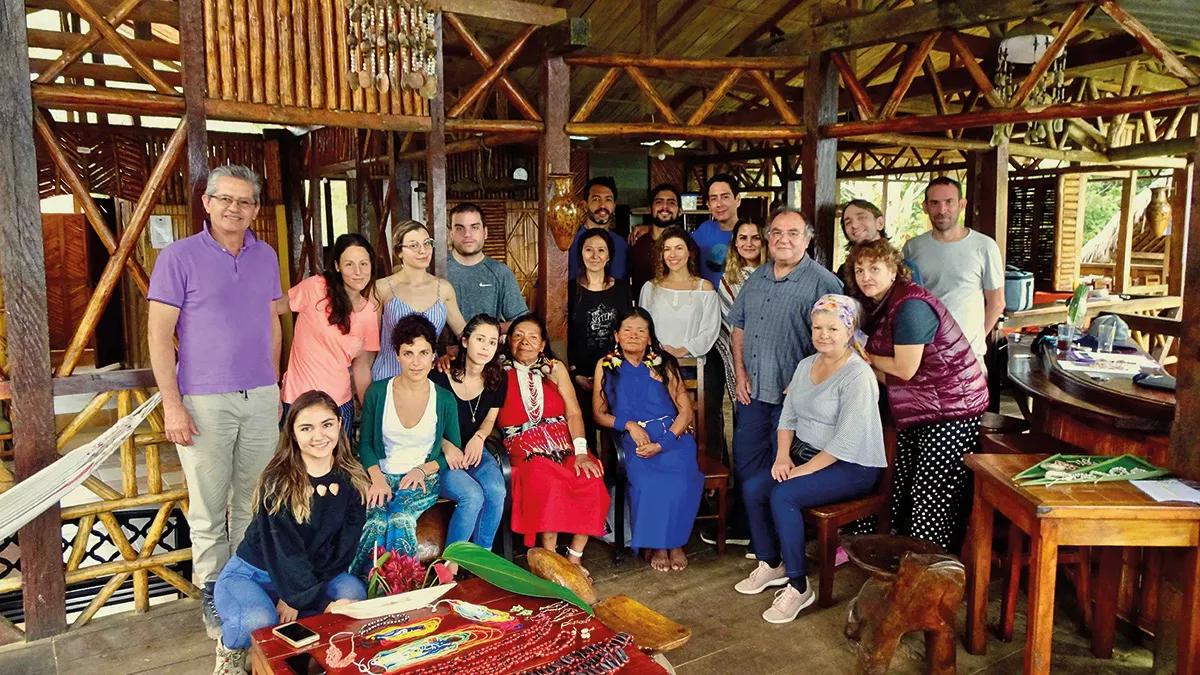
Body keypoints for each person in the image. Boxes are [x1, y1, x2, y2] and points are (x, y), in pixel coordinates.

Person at [147, 164, 282, 639]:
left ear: (255, 209)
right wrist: (172, 405)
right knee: (207, 507)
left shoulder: (265, 255)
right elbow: (160, 337)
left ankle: (243, 582)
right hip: (203, 400)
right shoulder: (178, 257)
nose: (234, 208)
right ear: (206, 203)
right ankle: (211, 587)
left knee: (253, 499)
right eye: (225, 198)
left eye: (244, 201)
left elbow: (272, 322)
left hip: (261, 396)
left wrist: (274, 383)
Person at [734, 295, 887, 623]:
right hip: (810, 455)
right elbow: (787, 418)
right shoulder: (806, 365)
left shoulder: (857, 375)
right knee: (753, 487)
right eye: (818, 327)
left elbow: (844, 442)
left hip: (854, 465)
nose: (823, 334)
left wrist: (798, 471)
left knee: (784, 494)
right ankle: (771, 562)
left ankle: (799, 585)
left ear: (849, 331)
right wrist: (782, 457)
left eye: (833, 328)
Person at [212, 390, 369, 673]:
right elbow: (284, 551)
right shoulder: (279, 482)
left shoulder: (353, 478)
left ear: (339, 425)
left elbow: (341, 549)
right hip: (253, 574)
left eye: (327, 424)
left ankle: (317, 657)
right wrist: (302, 597)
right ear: (293, 434)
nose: (319, 436)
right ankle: (230, 649)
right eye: (306, 428)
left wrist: (305, 595)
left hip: (309, 573)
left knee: (351, 592)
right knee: (258, 620)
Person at [847, 238, 988, 550]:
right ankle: (905, 555)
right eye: (859, 270)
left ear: (895, 270)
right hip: (924, 406)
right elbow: (892, 374)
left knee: (931, 492)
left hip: (952, 408)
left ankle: (931, 568)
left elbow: (905, 368)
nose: (866, 276)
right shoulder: (883, 303)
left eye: (874, 268)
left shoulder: (910, 305)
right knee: (903, 480)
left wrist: (860, 356)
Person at [729, 208, 843, 541]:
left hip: (795, 399)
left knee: (786, 467)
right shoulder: (757, 277)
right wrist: (739, 372)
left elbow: (839, 341)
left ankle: (781, 535)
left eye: (793, 233)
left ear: (807, 238)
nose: (784, 239)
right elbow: (739, 327)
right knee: (747, 461)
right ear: (768, 238)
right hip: (753, 391)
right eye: (777, 232)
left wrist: (810, 382)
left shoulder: (824, 282)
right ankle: (755, 535)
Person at [497, 314, 609, 576]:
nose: (525, 342)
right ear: (508, 342)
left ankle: (574, 558)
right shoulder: (497, 371)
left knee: (590, 477)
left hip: (564, 443)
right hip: (525, 450)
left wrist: (581, 453)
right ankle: (549, 557)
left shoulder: (555, 369)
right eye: (518, 336)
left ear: (542, 343)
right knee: (546, 481)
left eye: (532, 337)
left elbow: (573, 413)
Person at [593, 308, 703, 573]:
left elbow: (685, 411)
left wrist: (664, 442)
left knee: (683, 476)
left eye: (641, 330)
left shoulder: (662, 363)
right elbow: (598, 413)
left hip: (672, 434)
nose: (634, 335)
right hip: (635, 437)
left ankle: (675, 543)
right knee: (648, 480)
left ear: (650, 337)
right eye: (627, 330)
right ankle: (657, 544)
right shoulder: (606, 365)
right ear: (617, 335)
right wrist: (628, 425)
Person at [352, 315, 461, 573]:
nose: (416, 362)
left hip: (421, 480)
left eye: (423, 353)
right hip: (381, 474)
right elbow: (365, 444)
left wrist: (422, 469)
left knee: (400, 517)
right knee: (376, 523)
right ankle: (365, 589)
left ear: (434, 355)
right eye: (408, 353)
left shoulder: (444, 399)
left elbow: (452, 452)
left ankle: (402, 589)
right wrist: (376, 478)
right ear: (398, 355)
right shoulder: (378, 392)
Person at [277, 233, 380, 439]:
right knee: (298, 468)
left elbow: (361, 367)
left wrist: (371, 413)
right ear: (337, 266)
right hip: (299, 399)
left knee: (338, 468)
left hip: (339, 403)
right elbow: (272, 309)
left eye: (363, 264)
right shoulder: (316, 287)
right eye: (349, 264)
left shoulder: (369, 311)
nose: (358, 272)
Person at [428, 315, 508, 555]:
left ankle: (481, 559)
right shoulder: (440, 375)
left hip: (474, 450)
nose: (485, 347)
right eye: (480, 339)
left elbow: (490, 420)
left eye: (492, 342)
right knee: (472, 495)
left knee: (496, 489)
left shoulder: (497, 378)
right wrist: (445, 445)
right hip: (440, 454)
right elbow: (424, 424)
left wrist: (479, 437)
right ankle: (451, 563)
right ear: (464, 341)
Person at [901, 177, 1004, 362]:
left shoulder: (984, 246)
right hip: (924, 354)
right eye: (934, 203)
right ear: (925, 207)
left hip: (967, 356)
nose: (942, 210)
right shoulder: (912, 248)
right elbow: (907, 300)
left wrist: (974, 342)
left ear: (962, 204)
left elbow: (996, 303)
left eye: (949, 202)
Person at [372, 220, 467, 381]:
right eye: (414, 245)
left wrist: (451, 355)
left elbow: (465, 335)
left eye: (427, 243)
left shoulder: (443, 289)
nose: (423, 250)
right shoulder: (382, 288)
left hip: (429, 377)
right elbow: (369, 345)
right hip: (388, 375)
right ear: (399, 252)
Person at [568, 229, 632, 441]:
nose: (594, 256)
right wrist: (575, 372)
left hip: (616, 373)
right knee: (584, 434)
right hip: (579, 375)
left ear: (609, 256)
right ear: (581, 254)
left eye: (601, 250)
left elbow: (627, 330)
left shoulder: (622, 289)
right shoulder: (569, 290)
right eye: (589, 250)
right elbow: (566, 334)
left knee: (616, 434)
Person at [637, 226, 720, 361]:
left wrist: (682, 350)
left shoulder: (704, 288)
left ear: (689, 252)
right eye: (667, 249)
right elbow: (642, 327)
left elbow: (710, 330)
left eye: (679, 248)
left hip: (692, 364)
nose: (672, 254)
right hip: (655, 363)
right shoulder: (650, 288)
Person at [446, 202, 529, 327]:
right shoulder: (437, 267)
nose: (467, 234)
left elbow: (521, 321)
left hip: (487, 345)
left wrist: (487, 332)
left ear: (485, 232)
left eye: (474, 227)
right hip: (442, 347)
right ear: (451, 233)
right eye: (459, 228)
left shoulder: (500, 272)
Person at [717, 220, 766, 403]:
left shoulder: (775, 274)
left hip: (771, 354)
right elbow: (730, 327)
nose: (749, 244)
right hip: (742, 354)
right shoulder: (728, 280)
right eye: (743, 238)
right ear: (735, 243)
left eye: (755, 238)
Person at [834, 199, 922, 286]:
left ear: (880, 223)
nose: (854, 225)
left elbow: (915, 298)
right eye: (848, 222)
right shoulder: (844, 271)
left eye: (861, 217)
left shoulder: (905, 267)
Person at [568, 176, 629, 282]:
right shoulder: (569, 241)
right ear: (584, 205)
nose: (602, 205)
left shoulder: (621, 244)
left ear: (614, 206)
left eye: (608, 199)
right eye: (596, 199)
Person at [628, 183, 682, 297]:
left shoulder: (688, 246)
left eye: (671, 202)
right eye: (659, 202)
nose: (665, 207)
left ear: (680, 211)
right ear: (650, 209)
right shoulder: (637, 243)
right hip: (643, 311)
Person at [690, 173, 742, 287]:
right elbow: (678, 243)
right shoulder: (704, 229)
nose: (719, 204)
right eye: (714, 199)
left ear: (737, 199)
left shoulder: (750, 233)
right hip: (708, 299)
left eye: (725, 197)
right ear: (708, 205)